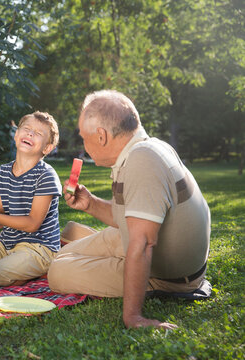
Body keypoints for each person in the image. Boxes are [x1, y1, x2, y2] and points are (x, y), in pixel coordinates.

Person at [47, 90, 210, 329]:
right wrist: (90, 203)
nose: (84, 144)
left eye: (84, 137)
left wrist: (133, 317)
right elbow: (132, 217)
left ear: (101, 136)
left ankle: (150, 283)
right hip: (145, 241)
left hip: (170, 275)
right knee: (63, 250)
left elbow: (143, 244)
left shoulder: (142, 161)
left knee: (57, 271)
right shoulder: (146, 148)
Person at [0, 111, 61, 286]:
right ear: (16, 134)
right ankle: (16, 268)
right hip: (5, 246)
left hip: (39, 248)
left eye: (38, 133)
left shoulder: (46, 175)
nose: (30, 134)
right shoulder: (2, 173)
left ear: (47, 148)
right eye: (26, 129)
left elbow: (33, 224)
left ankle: (36, 271)